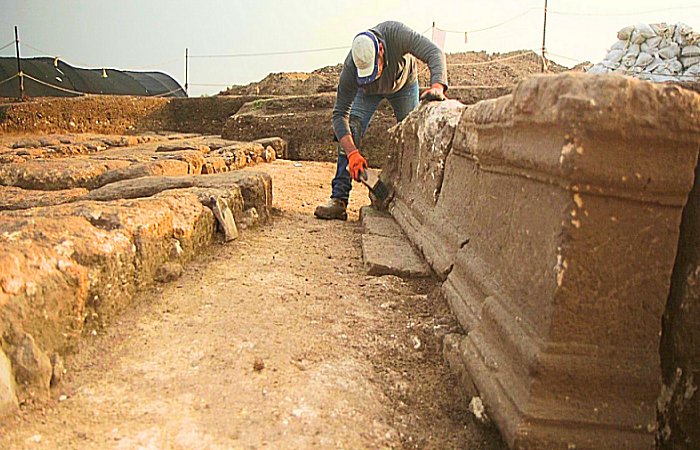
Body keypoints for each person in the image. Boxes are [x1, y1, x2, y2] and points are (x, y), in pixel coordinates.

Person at [314, 21, 448, 221]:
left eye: (373, 70)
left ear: (382, 50)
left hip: (403, 85)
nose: (373, 77)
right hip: (367, 93)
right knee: (353, 127)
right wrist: (352, 154)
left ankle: (414, 198)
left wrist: (437, 86)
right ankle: (339, 199)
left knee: (412, 134)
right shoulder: (351, 66)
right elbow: (339, 114)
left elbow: (434, 52)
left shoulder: (397, 34)